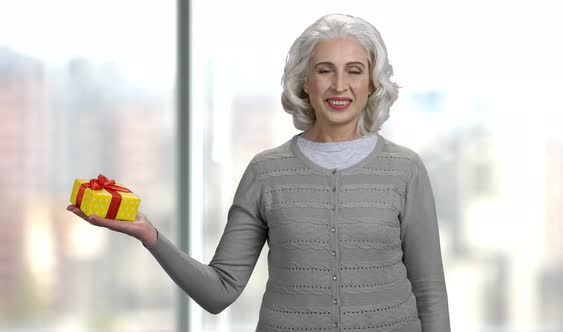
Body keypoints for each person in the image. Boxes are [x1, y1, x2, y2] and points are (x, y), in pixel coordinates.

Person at [67, 13, 450, 332]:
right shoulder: (267, 172)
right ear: (304, 81)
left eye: (354, 71)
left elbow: (430, 293)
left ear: (372, 84)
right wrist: (151, 235)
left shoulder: (404, 170)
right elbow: (220, 291)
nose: (340, 85)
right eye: (324, 70)